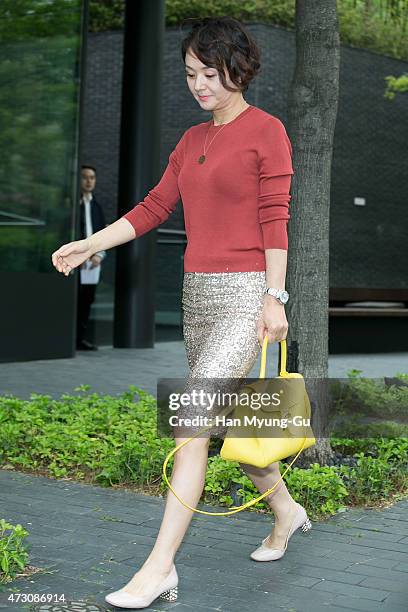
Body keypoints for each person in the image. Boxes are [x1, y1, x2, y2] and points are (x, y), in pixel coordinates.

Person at [52, 16, 311, 610]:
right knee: (225, 427)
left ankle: (159, 568)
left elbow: (277, 219)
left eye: (210, 73)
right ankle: (287, 511)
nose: (199, 85)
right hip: (198, 299)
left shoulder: (267, 132)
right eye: (191, 74)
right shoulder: (192, 141)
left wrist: (276, 296)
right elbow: (152, 207)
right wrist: (92, 243)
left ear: (237, 69)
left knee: (191, 425)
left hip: (247, 296)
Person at [77, 165, 107, 351]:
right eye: (85, 177)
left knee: (87, 300)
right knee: (74, 300)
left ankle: (80, 339)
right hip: (75, 263)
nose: (89, 181)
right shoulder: (72, 205)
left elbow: (103, 233)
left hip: (92, 263)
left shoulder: (97, 206)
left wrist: (99, 254)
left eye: (92, 177)